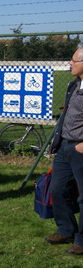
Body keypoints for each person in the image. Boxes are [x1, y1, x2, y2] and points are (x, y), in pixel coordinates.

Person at [46, 43, 83, 255]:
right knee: (58, 189)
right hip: (65, 147)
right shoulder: (73, 86)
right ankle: (66, 229)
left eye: (73, 60)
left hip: (80, 149)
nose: (69, 63)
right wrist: (58, 143)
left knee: (82, 196)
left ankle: (81, 240)